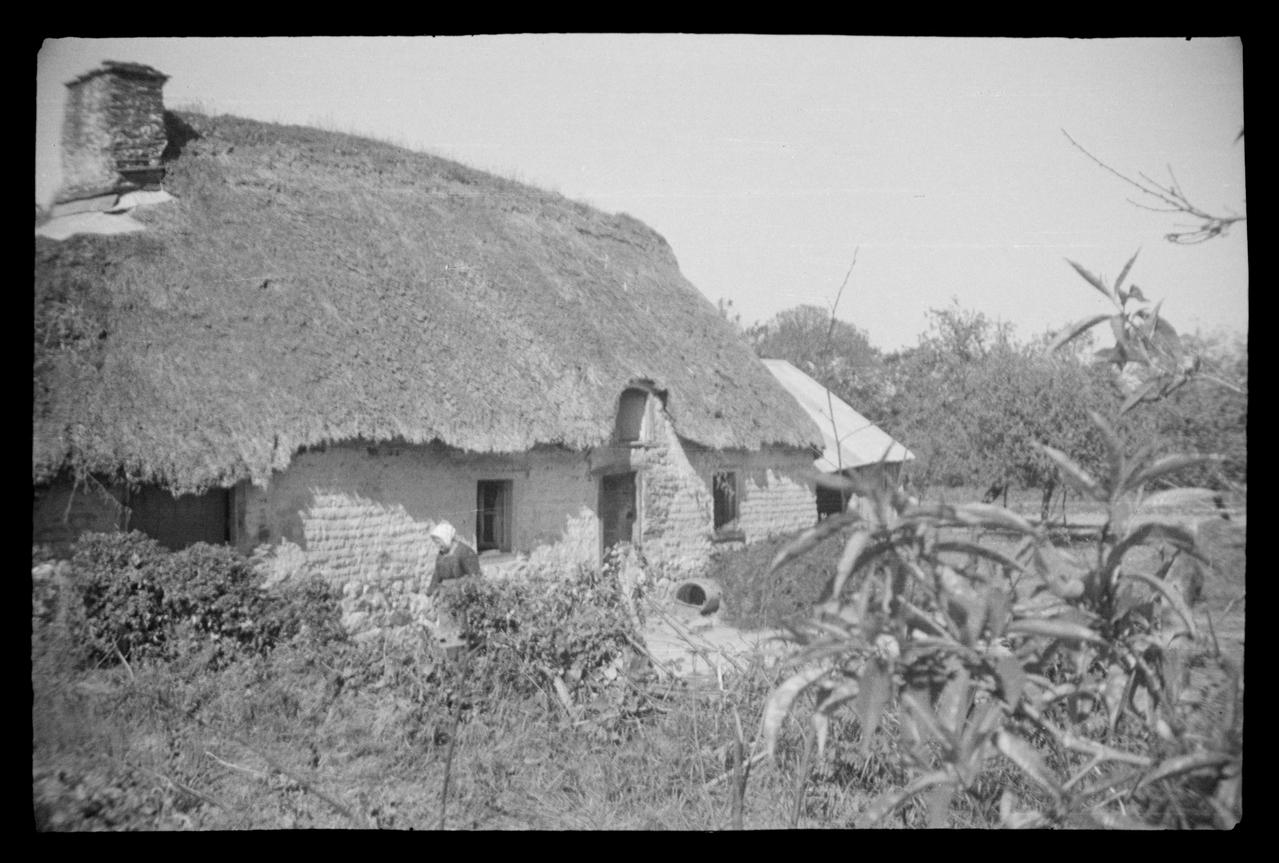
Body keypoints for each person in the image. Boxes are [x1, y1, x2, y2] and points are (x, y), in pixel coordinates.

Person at [425, 521, 482, 596]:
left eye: (439, 542)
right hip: (446, 595)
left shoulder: (465, 552)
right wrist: (430, 591)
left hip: (462, 595)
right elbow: (437, 575)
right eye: (436, 543)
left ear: (446, 538)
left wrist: (467, 591)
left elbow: (475, 576)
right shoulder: (441, 554)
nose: (437, 546)